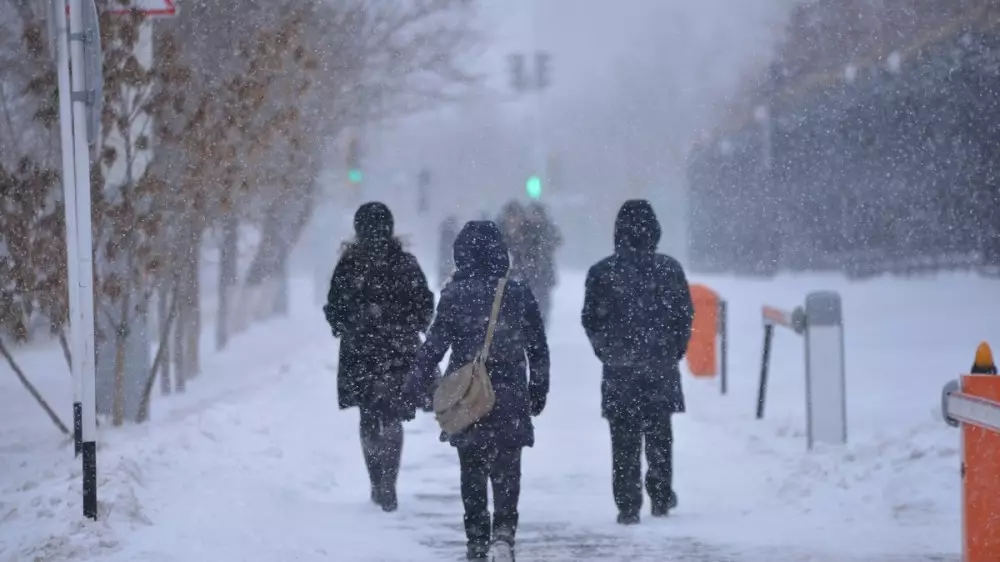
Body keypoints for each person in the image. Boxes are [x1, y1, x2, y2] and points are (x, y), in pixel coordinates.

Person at [406, 220, 550, 561]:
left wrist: (415, 383)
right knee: (507, 468)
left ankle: (475, 540)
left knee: (471, 468)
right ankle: (503, 534)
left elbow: (435, 345)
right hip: (510, 392)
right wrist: (539, 387)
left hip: (469, 396)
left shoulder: (455, 295)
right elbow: (538, 347)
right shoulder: (518, 293)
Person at [580, 200, 693, 525]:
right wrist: (672, 351)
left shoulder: (602, 273)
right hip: (659, 366)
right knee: (660, 433)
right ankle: (660, 494)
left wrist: (609, 352)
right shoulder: (669, 270)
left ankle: (628, 502)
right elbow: (684, 317)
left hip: (620, 371)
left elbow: (591, 321)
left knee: (624, 438)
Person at [323, 202, 435, 513]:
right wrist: (403, 325)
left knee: (369, 417)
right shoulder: (405, 263)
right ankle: (389, 485)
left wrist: (352, 324)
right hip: (396, 351)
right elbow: (425, 306)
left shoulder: (350, 264)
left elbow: (334, 309)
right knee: (392, 416)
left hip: (361, 352)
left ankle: (377, 483)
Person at [522, 202, 562, 324]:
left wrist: (544, 245)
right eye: (533, 214)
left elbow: (558, 241)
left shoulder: (548, 228)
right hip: (528, 273)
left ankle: (542, 323)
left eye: (537, 214)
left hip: (544, 272)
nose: (535, 217)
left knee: (543, 303)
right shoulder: (525, 228)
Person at [438, 215, 459, 288]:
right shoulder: (453, 230)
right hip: (449, 252)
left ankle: (441, 281)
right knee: (448, 266)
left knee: (444, 266)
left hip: (445, 252)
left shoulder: (445, 230)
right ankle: (443, 281)